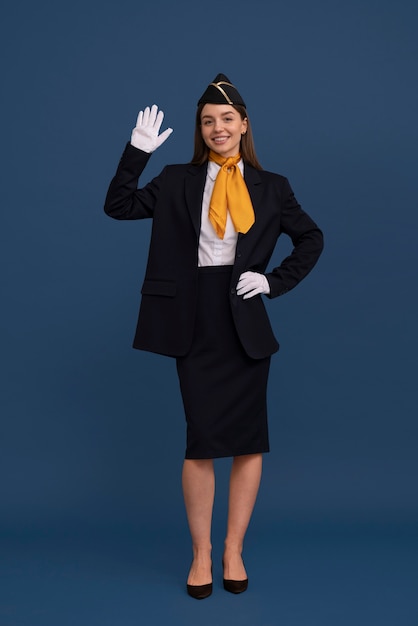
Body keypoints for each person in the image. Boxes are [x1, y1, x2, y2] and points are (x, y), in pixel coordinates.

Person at [104, 73, 323, 599]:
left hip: (242, 316)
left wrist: (272, 281)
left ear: (244, 125)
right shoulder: (178, 179)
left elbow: (311, 239)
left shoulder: (274, 186)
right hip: (194, 316)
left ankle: (233, 549)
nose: (217, 128)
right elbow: (120, 206)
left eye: (227, 119)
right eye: (208, 121)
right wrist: (137, 152)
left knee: (249, 441)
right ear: (200, 131)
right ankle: (201, 552)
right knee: (201, 438)